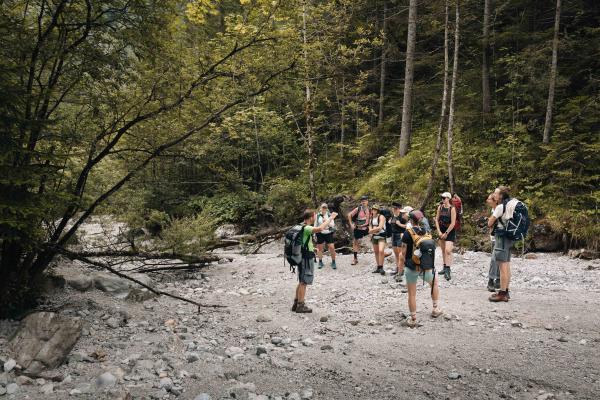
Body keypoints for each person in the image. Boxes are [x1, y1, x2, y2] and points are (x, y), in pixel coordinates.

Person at [399, 210, 443, 327]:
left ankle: (413, 319)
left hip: (411, 267)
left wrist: (401, 268)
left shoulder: (407, 233)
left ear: (410, 220)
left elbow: (402, 253)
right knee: (434, 284)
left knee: (412, 294)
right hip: (426, 267)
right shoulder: (427, 231)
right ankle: (435, 309)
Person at [292, 209, 338, 313]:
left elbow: (304, 241)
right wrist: (331, 218)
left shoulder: (299, 225)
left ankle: (296, 303)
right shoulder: (307, 227)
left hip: (301, 255)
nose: (315, 218)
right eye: (314, 216)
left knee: (301, 280)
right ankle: (300, 305)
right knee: (304, 281)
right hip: (306, 257)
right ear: (311, 217)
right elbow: (321, 228)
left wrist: (313, 249)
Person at [487, 186, 517, 302]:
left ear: (500, 196)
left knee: (502, 266)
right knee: (507, 264)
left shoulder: (500, 207)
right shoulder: (510, 204)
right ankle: (506, 291)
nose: (494, 195)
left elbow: (490, 223)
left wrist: (491, 218)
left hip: (501, 238)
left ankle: (502, 293)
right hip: (510, 237)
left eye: (495, 193)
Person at [435, 192, 457, 281]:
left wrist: (446, 233)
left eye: (444, 198)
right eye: (442, 198)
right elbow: (436, 219)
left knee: (448, 250)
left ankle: (448, 269)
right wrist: (439, 231)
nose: (442, 199)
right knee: (443, 250)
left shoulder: (452, 209)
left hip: (450, 231)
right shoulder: (440, 207)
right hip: (441, 230)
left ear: (448, 198)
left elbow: (453, 223)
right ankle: (444, 267)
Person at [348, 195, 371, 265]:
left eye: (365, 201)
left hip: (367, 228)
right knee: (355, 242)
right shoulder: (358, 209)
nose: (363, 202)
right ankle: (355, 259)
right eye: (362, 201)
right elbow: (349, 215)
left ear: (367, 201)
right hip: (358, 228)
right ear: (361, 202)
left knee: (374, 239)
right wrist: (351, 224)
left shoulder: (370, 209)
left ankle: (381, 253)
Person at [314, 203, 337, 270]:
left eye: (325, 208)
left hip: (328, 232)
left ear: (327, 208)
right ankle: (320, 262)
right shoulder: (318, 215)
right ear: (320, 208)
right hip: (320, 233)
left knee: (332, 247)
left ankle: (333, 262)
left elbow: (332, 225)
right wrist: (314, 233)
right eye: (322, 208)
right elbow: (315, 225)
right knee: (320, 248)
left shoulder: (330, 215)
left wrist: (326, 221)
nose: (323, 209)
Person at [389, 202, 408, 281]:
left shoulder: (402, 216)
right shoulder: (393, 216)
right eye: (393, 208)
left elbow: (407, 226)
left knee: (401, 254)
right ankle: (397, 268)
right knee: (396, 253)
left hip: (400, 235)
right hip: (393, 235)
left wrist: (399, 224)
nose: (394, 210)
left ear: (399, 209)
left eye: (395, 208)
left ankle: (402, 269)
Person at [485, 192, 500, 291]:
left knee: (497, 258)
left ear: (495, 201)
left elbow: (490, 223)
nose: (487, 200)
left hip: (500, 236)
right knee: (496, 258)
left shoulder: (500, 209)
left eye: (489, 199)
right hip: (494, 236)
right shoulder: (493, 209)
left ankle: (494, 280)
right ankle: (494, 280)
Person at [368, 204, 387, 275]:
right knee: (376, 252)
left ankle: (381, 267)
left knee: (381, 250)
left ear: (377, 210)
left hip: (381, 236)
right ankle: (378, 267)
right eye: (373, 209)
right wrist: (372, 230)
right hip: (374, 237)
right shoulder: (371, 218)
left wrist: (372, 230)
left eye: (375, 209)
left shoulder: (381, 217)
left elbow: (380, 227)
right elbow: (369, 228)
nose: (373, 211)